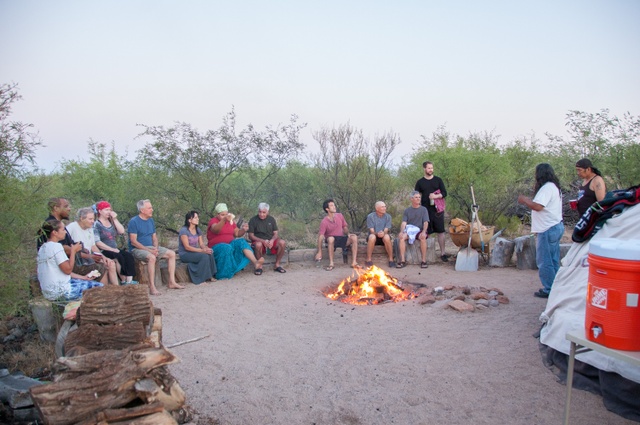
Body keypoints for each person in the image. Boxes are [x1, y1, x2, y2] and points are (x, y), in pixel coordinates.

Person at [517, 163, 564, 299]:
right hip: (554, 226)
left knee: (545, 260)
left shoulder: (547, 188)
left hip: (547, 228)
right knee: (553, 259)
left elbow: (538, 206)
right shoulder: (554, 187)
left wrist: (525, 200)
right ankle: (556, 286)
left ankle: (549, 288)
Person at [38, 198, 108, 284]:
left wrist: (81, 250)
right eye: (66, 206)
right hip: (61, 267)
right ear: (56, 208)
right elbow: (64, 250)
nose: (69, 209)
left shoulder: (57, 224)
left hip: (64, 264)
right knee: (100, 268)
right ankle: (103, 291)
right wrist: (81, 253)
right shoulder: (52, 226)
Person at [128, 199, 185, 295]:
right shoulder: (134, 222)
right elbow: (133, 241)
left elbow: (154, 237)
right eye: (149, 208)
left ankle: (172, 282)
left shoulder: (151, 221)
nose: (152, 210)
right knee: (152, 257)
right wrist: (149, 250)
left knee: (171, 254)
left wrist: (155, 247)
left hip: (151, 247)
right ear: (142, 210)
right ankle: (152, 286)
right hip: (138, 249)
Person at [36, 220, 103, 301]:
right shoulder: (56, 247)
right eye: (63, 229)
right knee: (100, 288)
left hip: (48, 292)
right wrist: (73, 252)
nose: (65, 232)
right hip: (61, 291)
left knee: (88, 284)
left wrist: (83, 277)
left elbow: (63, 270)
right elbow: (68, 270)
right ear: (55, 233)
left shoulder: (43, 248)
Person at [206, 203, 264, 278]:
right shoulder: (213, 221)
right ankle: (223, 274)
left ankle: (256, 263)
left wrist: (243, 230)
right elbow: (216, 230)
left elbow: (237, 233)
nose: (225, 216)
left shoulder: (230, 222)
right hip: (217, 247)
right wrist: (224, 220)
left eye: (226, 214)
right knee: (226, 247)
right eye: (222, 215)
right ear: (217, 214)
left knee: (241, 242)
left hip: (230, 244)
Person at [66, 207, 119, 286]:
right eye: (90, 219)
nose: (92, 221)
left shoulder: (90, 228)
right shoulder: (72, 227)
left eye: (93, 219)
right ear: (81, 218)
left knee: (110, 263)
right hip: (78, 259)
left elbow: (93, 246)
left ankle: (116, 288)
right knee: (101, 267)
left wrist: (104, 257)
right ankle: (103, 289)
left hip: (89, 257)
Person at [93, 201, 137, 284]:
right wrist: (112, 249)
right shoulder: (97, 225)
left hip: (114, 248)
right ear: (100, 211)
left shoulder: (111, 222)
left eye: (110, 210)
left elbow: (121, 231)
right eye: (106, 210)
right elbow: (97, 242)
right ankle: (123, 280)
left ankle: (129, 280)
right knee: (118, 257)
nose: (109, 212)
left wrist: (115, 219)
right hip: (104, 250)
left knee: (128, 256)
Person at [414, 161, 450, 262]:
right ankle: (426, 256)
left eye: (432, 168)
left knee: (441, 231)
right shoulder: (420, 182)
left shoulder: (438, 180)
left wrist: (436, 196)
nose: (431, 170)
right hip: (425, 210)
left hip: (438, 210)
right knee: (426, 232)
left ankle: (443, 253)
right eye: (429, 168)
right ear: (424, 169)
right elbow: (416, 195)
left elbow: (444, 193)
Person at [315, 199, 358, 271]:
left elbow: (344, 227)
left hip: (340, 238)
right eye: (331, 205)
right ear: (327, 209)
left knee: (354, 237)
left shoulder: (340, 215)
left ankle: (354, 262)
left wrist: (348, 234)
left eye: (334, 205)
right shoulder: (324, 221)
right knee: (331, 238)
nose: (334, 207)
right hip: (331, 241)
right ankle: (331, 263)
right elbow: (321, 236)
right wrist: (319, 251)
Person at [178, 211, 217, 284]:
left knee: (210, 253)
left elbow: (201, 243)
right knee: (204, 256)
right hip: (185, 253)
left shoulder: (197, 229)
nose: (198, 219)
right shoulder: (184, 231)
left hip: (194, 251)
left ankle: (210, 275)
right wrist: (201, 251)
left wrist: (205, 248)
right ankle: (200, 279)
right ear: (190, 220)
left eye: (198, 217)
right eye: (195, 218)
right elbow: (187, 247)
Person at [248, 203, 287, 273]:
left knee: (282, 242)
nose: (261, 214)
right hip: (259, 240)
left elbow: (275, 233)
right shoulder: (253, 220)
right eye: (260, 212)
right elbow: (251, 236)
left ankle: (277, 265)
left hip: (270, 240)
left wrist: (272, 240)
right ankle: (259, 266)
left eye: (264, 212)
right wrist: (263, 241)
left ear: (268, 212)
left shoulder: (271, 219)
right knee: (258, 244)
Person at [396, 191, 430, 268]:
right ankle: (402, 260)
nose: (418, 199)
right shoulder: (407, 210)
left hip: (419, 230)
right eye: (416, 197)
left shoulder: (423, 209)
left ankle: (424, 261)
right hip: (410, 230)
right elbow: (404, 222)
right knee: (401, 238)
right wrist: (401, 231)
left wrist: (424, 231)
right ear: (411, 199)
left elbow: (426, 222)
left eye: (419, 197)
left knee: (423, 237)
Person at [365, 201, 395, 268]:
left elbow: (386, 229)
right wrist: (377, 234)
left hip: (383, 236)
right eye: (382, 207)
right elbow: (371, 230)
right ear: (377, 208)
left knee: (387, 237)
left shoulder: (388, 217)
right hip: (374, 236)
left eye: (385, 206)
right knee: (372, 237)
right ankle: (368, 259)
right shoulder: (370, 216)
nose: (384, 208)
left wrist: (383, 233)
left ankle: (391, 259)